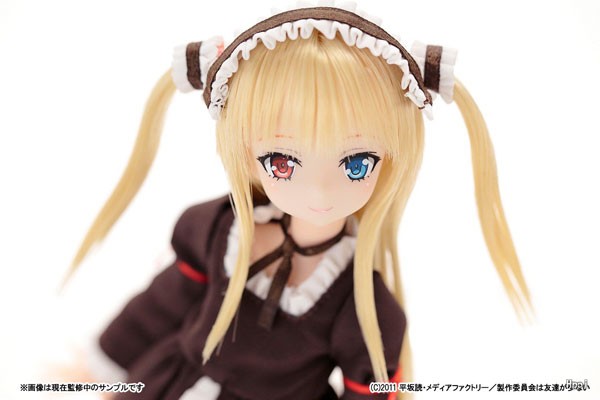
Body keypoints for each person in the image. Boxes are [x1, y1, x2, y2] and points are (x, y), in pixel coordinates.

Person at [68, 2, 532, 399]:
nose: (320, 192)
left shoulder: (361, 305)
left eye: (356, 164)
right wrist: (104, 369)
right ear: (247, 156)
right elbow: (161, 306)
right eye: (282, 163)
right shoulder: (218, 230)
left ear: (391, 159)